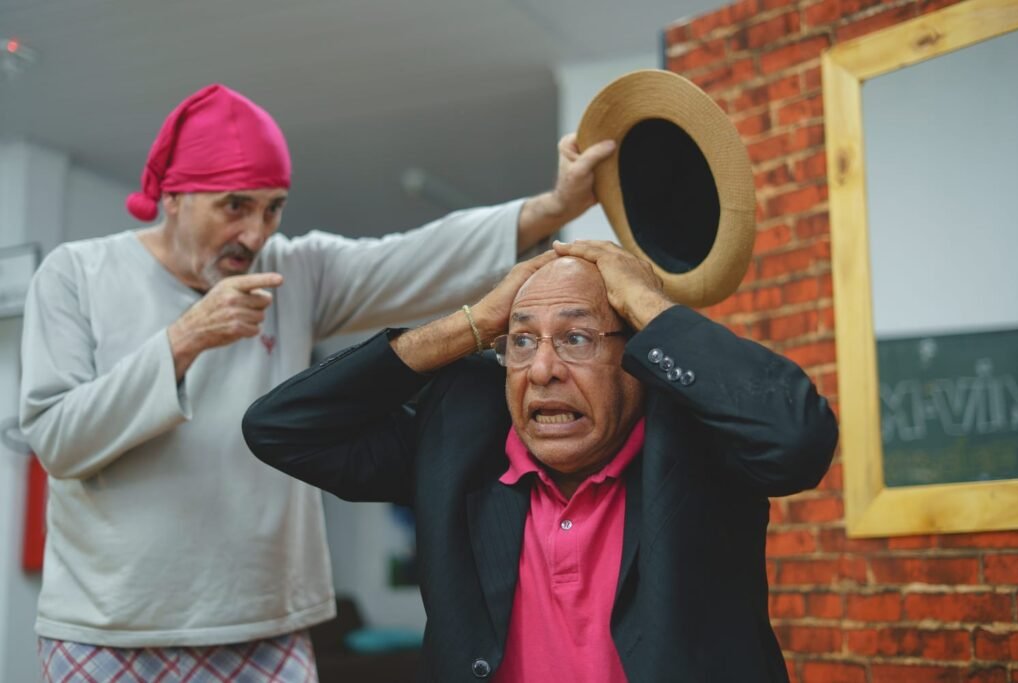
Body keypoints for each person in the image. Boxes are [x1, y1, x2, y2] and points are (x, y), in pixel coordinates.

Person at [19, 83, 614, 681]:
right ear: (174, 197)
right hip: (107, 626)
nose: (256, 235)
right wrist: (185, 339)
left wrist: (556, 205)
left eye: (272, 207)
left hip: (264, 624)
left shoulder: (292, 270)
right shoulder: (77, 274)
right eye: (235, 206)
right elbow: (57, 440)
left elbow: (416, 256)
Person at [242, 240, 839, 682]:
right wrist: (473, 324)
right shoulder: (460, 446)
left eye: (577, 338)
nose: (543, 369)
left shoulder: (696, 438)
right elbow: (281, 428)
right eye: (522, 341)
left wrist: (643, 300)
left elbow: (797, 442)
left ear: (637, 356)